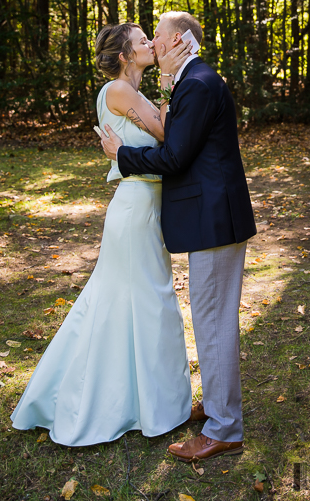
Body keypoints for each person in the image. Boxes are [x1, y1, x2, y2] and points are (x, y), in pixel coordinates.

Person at [11, 23, 193, 446]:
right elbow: (168, 134)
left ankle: (142, 401)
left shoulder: (134, 93)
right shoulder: (120, 91)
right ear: (126, 55)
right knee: (146, 301)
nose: (151, 44)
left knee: (134, 301)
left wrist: (164, 85)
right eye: (143, 41)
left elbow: (165, 134)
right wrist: (168, 77)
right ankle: (119, 403)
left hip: (146, 205)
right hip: (134, 207)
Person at [100, 11, 256, 462]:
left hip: (215, 220)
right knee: (211, 318)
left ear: (179, 41)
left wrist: (121, 155)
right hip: (211, 218)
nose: (155, 44)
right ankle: (219, 408)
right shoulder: (189, 81)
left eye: (160, 38)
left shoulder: (200, 83)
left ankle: (225, 428)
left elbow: (174, 157)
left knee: (213, 322)